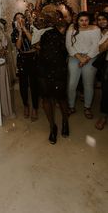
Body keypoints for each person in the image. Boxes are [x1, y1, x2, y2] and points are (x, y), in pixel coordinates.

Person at [38, 12, 69, 144]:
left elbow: (66, 50)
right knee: (46, 98)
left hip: (59, 69)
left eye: (56, 16)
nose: (51, 18)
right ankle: (52, 127)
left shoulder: (67, 29)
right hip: (44, 69)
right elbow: (40, 48)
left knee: (61, 98)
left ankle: (65, 121)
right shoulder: (45, 33)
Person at [66, 12, 101, 119]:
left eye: (86, 20)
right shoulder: (71, 29)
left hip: (90, 57)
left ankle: (87, 107)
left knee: (88, 84)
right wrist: (80, 58)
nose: (84, 23)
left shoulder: (95, 29)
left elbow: (96, 45)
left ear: (89, 20)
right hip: (74, 57)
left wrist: (86, 58)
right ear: (77, 20)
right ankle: (71, 106)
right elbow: (68, 45)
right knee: (72, 84)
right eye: (81, 20)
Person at [11, 13, 39, 120]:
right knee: (23, 85)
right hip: (22, 59)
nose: (20, 20)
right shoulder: (14, 33)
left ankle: (35, 108)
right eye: (17, 19)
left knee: (34, 84)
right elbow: (18, 46)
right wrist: (19, 32)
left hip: (33, 58)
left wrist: (24, 29)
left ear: (25, 19)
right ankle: (26, 106)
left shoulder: (31, 28)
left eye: (21, 17)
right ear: (14, 22)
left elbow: (33, 41)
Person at [95, 12, 108, 130]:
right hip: (106, 64)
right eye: (99, 19)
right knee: (105, 91)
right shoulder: (98, 32)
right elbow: (101, 48)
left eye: (104, 19)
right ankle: (103, 116)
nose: (101, 21)